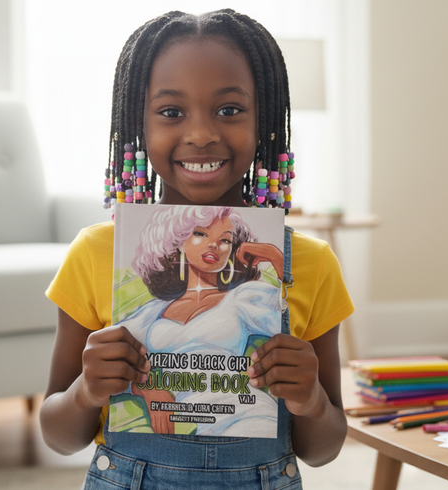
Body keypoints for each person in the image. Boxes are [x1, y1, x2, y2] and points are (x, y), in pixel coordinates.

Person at [42, 9, 354, 489]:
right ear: (138, 125)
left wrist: (311, 399)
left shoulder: (310, 264)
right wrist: (85, 391)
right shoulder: (95, 253)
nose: (202, 133)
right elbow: (58, 436)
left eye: (229, 110)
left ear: (265, 121)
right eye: (171, 112)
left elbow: (324, 449)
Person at [117, 205, 284, 437]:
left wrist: (276, 257)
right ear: (178, 241)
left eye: (225, 240)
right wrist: (144, 387)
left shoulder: (243, 297)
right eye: (201, 234)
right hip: (194, 427)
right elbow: (110, 358)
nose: (214, 244)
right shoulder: (152, 312)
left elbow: (292, 321)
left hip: (250, 418)